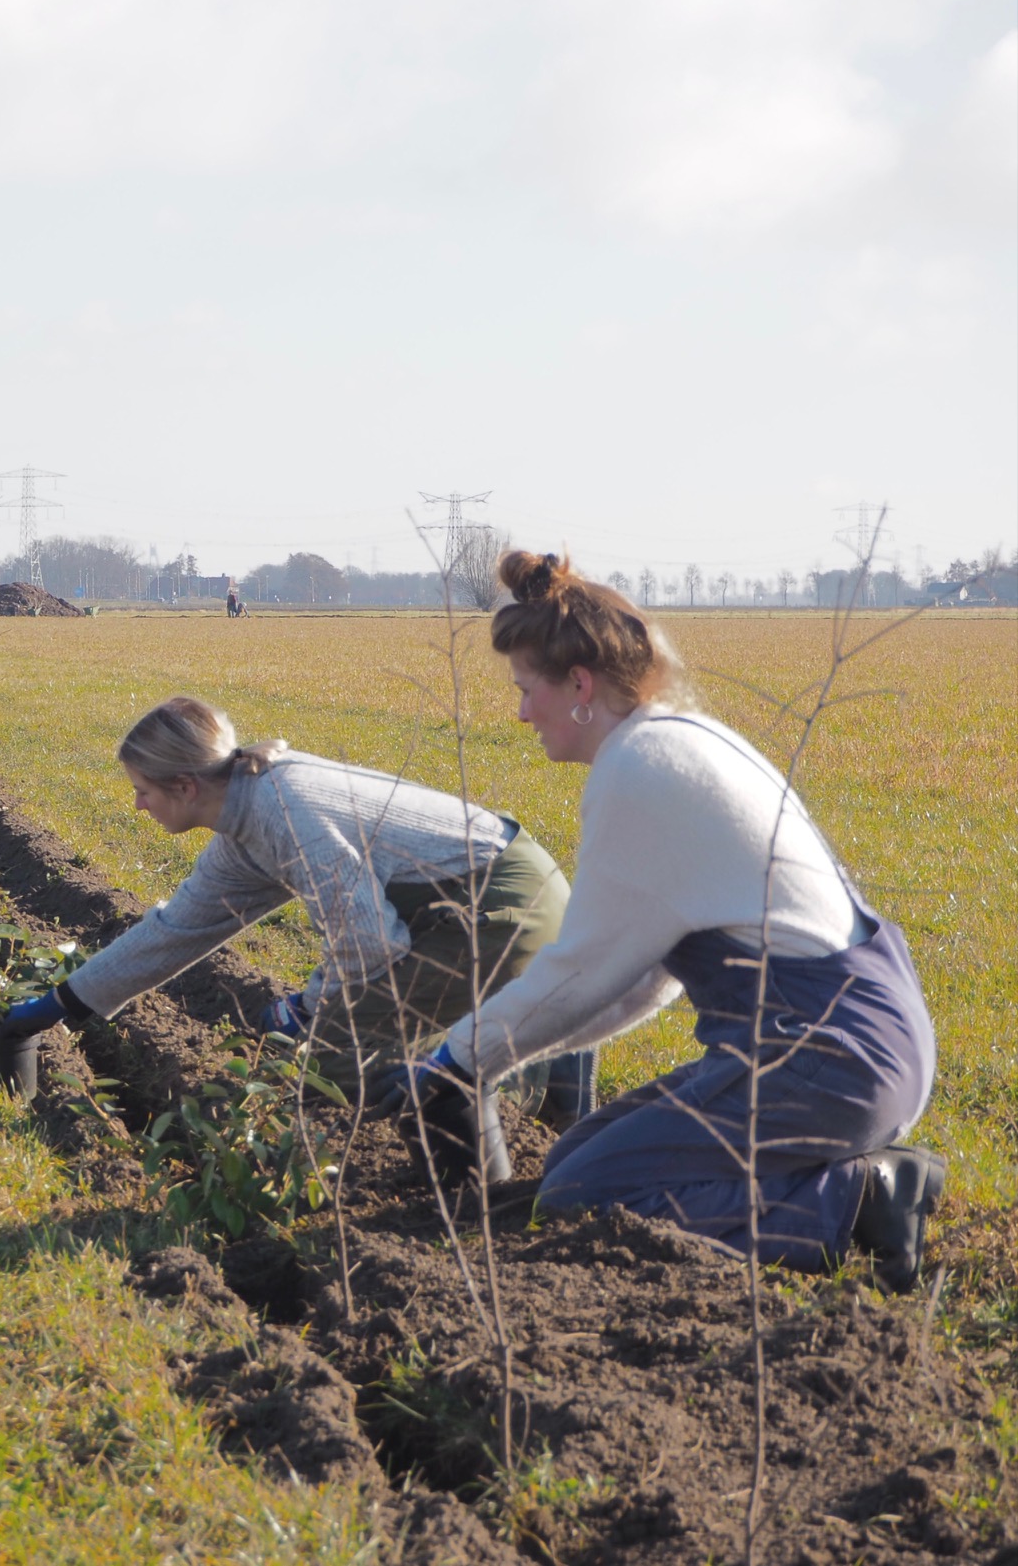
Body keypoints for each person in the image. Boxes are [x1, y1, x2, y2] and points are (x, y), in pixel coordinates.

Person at [373, 552, 944, 1290]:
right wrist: (481, 1060)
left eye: (524, 689)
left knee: (586, 1197)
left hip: (822, 1059)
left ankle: (859, 1200)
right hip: (865, 1040)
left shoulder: (637, 772)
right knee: (571, 1161)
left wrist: (454, 1058)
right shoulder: (676, 740)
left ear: (578, 684)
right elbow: (639, 981)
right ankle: (840, 1174)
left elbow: (578, 971)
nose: (518, 713)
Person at [1, 695, 596, 1158]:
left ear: (184, 787)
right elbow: (177, 930)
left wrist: (306, 1010)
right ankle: (547, 1077)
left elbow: (368, 942)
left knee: (339, 1063)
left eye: (143, 791)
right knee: (355, 1042)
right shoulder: (244, 819)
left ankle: (469, 1176)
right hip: (485, 895)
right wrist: (64, 1002)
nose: (137, 806)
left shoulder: (285, 812)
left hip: (499, 905)